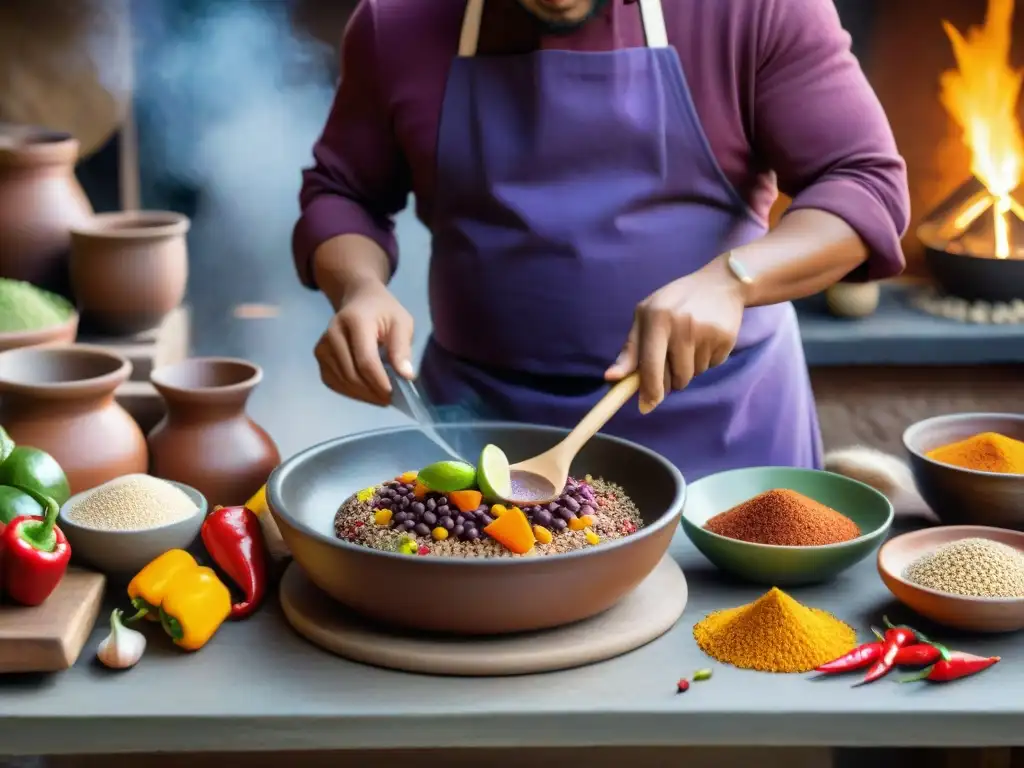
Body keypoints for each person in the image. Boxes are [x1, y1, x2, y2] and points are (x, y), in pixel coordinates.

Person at [293, 0, 909, 479]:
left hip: (724, 432)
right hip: (482, 431)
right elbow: (344, 191)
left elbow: (864, 182)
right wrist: (359, 287)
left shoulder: (756, 9)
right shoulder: (394, 24)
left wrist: (733, 279)